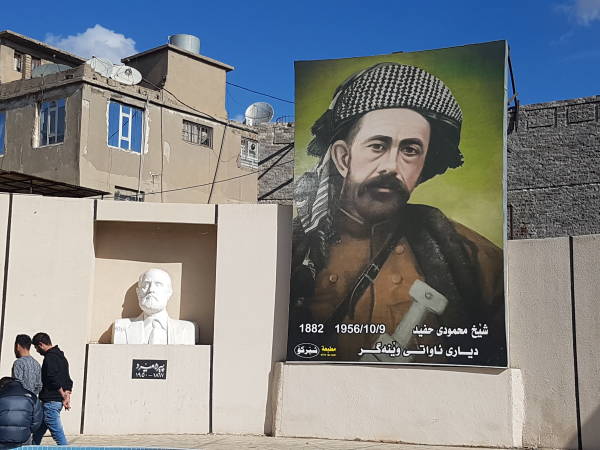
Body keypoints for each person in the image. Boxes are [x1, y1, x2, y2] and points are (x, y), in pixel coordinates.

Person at [289, 62, 506, 366]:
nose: (392, 166)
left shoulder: (470, 258)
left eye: (410, 150)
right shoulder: (294, 252)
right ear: (343, 158)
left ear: (423, 165)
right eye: (378, 146)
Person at [112, 268, 197, 344]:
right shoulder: (121, 328)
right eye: (146, 285)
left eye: (158, 285)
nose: (151, 290)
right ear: (138, 293)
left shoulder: (187, 329)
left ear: (169, 293)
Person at [31, 333, 72, 446]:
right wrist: (67, 396)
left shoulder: (50, 357)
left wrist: (62, 394)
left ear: (41, 344)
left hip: (51, 402)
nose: (37, 351)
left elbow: (52, 378)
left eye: (36, 347)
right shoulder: (61, 357)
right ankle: (32, 447)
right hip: (53, 402)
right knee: (38, 432)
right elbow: (68, 380)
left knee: (58, 435)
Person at [0, 377, 42, 448]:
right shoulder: (32, 397)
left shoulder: (1, 396)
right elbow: (37, 420)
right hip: (24, 438)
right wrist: (28, 430)